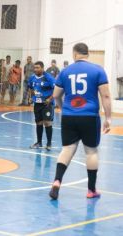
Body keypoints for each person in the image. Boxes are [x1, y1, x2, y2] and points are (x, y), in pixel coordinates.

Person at [49, 43, 112, 200]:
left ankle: (57, 181)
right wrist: (108, 118)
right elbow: (105, 96)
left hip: (69, 116)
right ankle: (91, 190)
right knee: (91, 151)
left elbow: (56, 95)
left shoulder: (65, 71)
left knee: (67, 149)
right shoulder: (98, 70)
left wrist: (63, 108)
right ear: (87, 53)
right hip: (90, 116)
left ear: (74, 54)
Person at [28, 61, 56, 151]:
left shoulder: (48, 78)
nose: (35, 69)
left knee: (47, 123)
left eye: (37, 68)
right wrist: (31, 97)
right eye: (34, 67)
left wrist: (50, 99)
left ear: (42, 68)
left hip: (47, 104)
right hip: (37, 103)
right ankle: (39, 142)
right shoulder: (32, 78)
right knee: (38, 123)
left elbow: (56, 89)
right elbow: (31, 88)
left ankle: (49, 143)